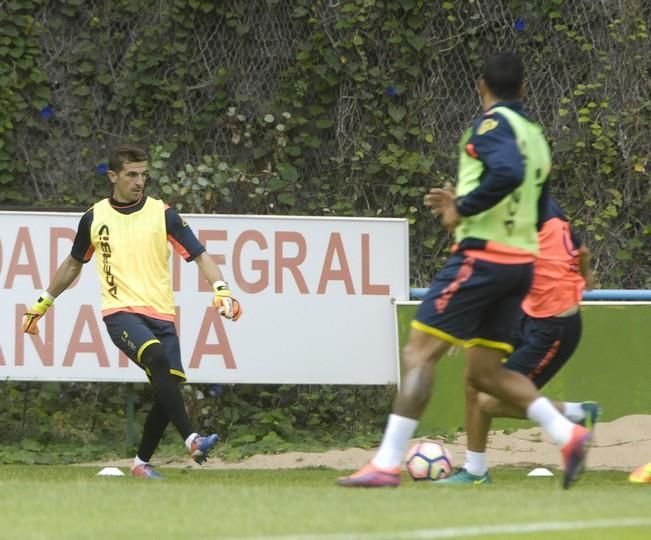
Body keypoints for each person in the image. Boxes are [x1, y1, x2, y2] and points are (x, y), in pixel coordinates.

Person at [337, 52, 591, 490]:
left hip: (482, 257)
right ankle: (567, 432)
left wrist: (461, 207)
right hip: (519, 266)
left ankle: (386, 461)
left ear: (480, 87)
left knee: (419, 354)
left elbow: (507, 172)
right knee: (487, 375)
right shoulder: (535, 135)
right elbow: (539, 199)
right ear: (524, 89)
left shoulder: (491, 126)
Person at [22, 144, 242, 479]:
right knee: (155, 357)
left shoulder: (162, 213)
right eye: (132, 174)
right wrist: (43, 302)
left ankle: (141, 463)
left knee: (168, 387)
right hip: (120, 312)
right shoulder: (94, 218)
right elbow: (72, 264)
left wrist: (222, 289)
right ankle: (192, 439)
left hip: (163, 315)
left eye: (144, 174)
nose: (140, 181)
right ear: (113, 176)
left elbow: (199, 254)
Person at [437, 197, 600, 484]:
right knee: (474, 378)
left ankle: (573, 414)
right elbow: (582, 250)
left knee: (488, 400)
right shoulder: (543, 205)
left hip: (552, 328)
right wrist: (584, 277)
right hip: (527, 313)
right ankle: (475, 471)